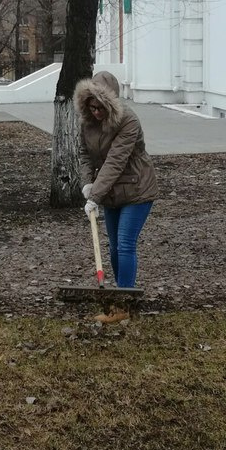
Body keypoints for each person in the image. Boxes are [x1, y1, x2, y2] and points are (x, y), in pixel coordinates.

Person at [74, 71, 158, 324]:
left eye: (100, 108)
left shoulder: (128, 121)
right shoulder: (88, 123)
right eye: (92, 107)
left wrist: (95, 195)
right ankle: (122, 295)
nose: (96, 113)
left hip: (137, 190)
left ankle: (123, 305)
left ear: (110, 104)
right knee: (113, 247)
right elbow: (85, 154)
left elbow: (115, 161)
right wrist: (87, 184)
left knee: (124, 243)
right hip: (110, 192)